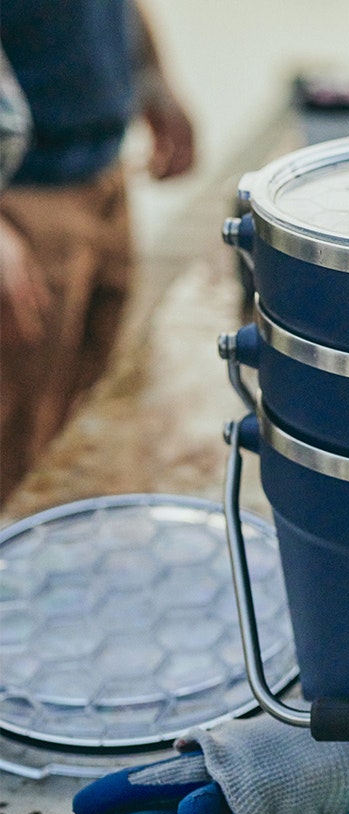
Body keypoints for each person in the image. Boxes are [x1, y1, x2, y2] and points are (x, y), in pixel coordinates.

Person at [0, 1, 195, 503]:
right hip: (22, 201)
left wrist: (154, 79)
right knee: (14, 448)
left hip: (104, 170)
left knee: (86, 420)